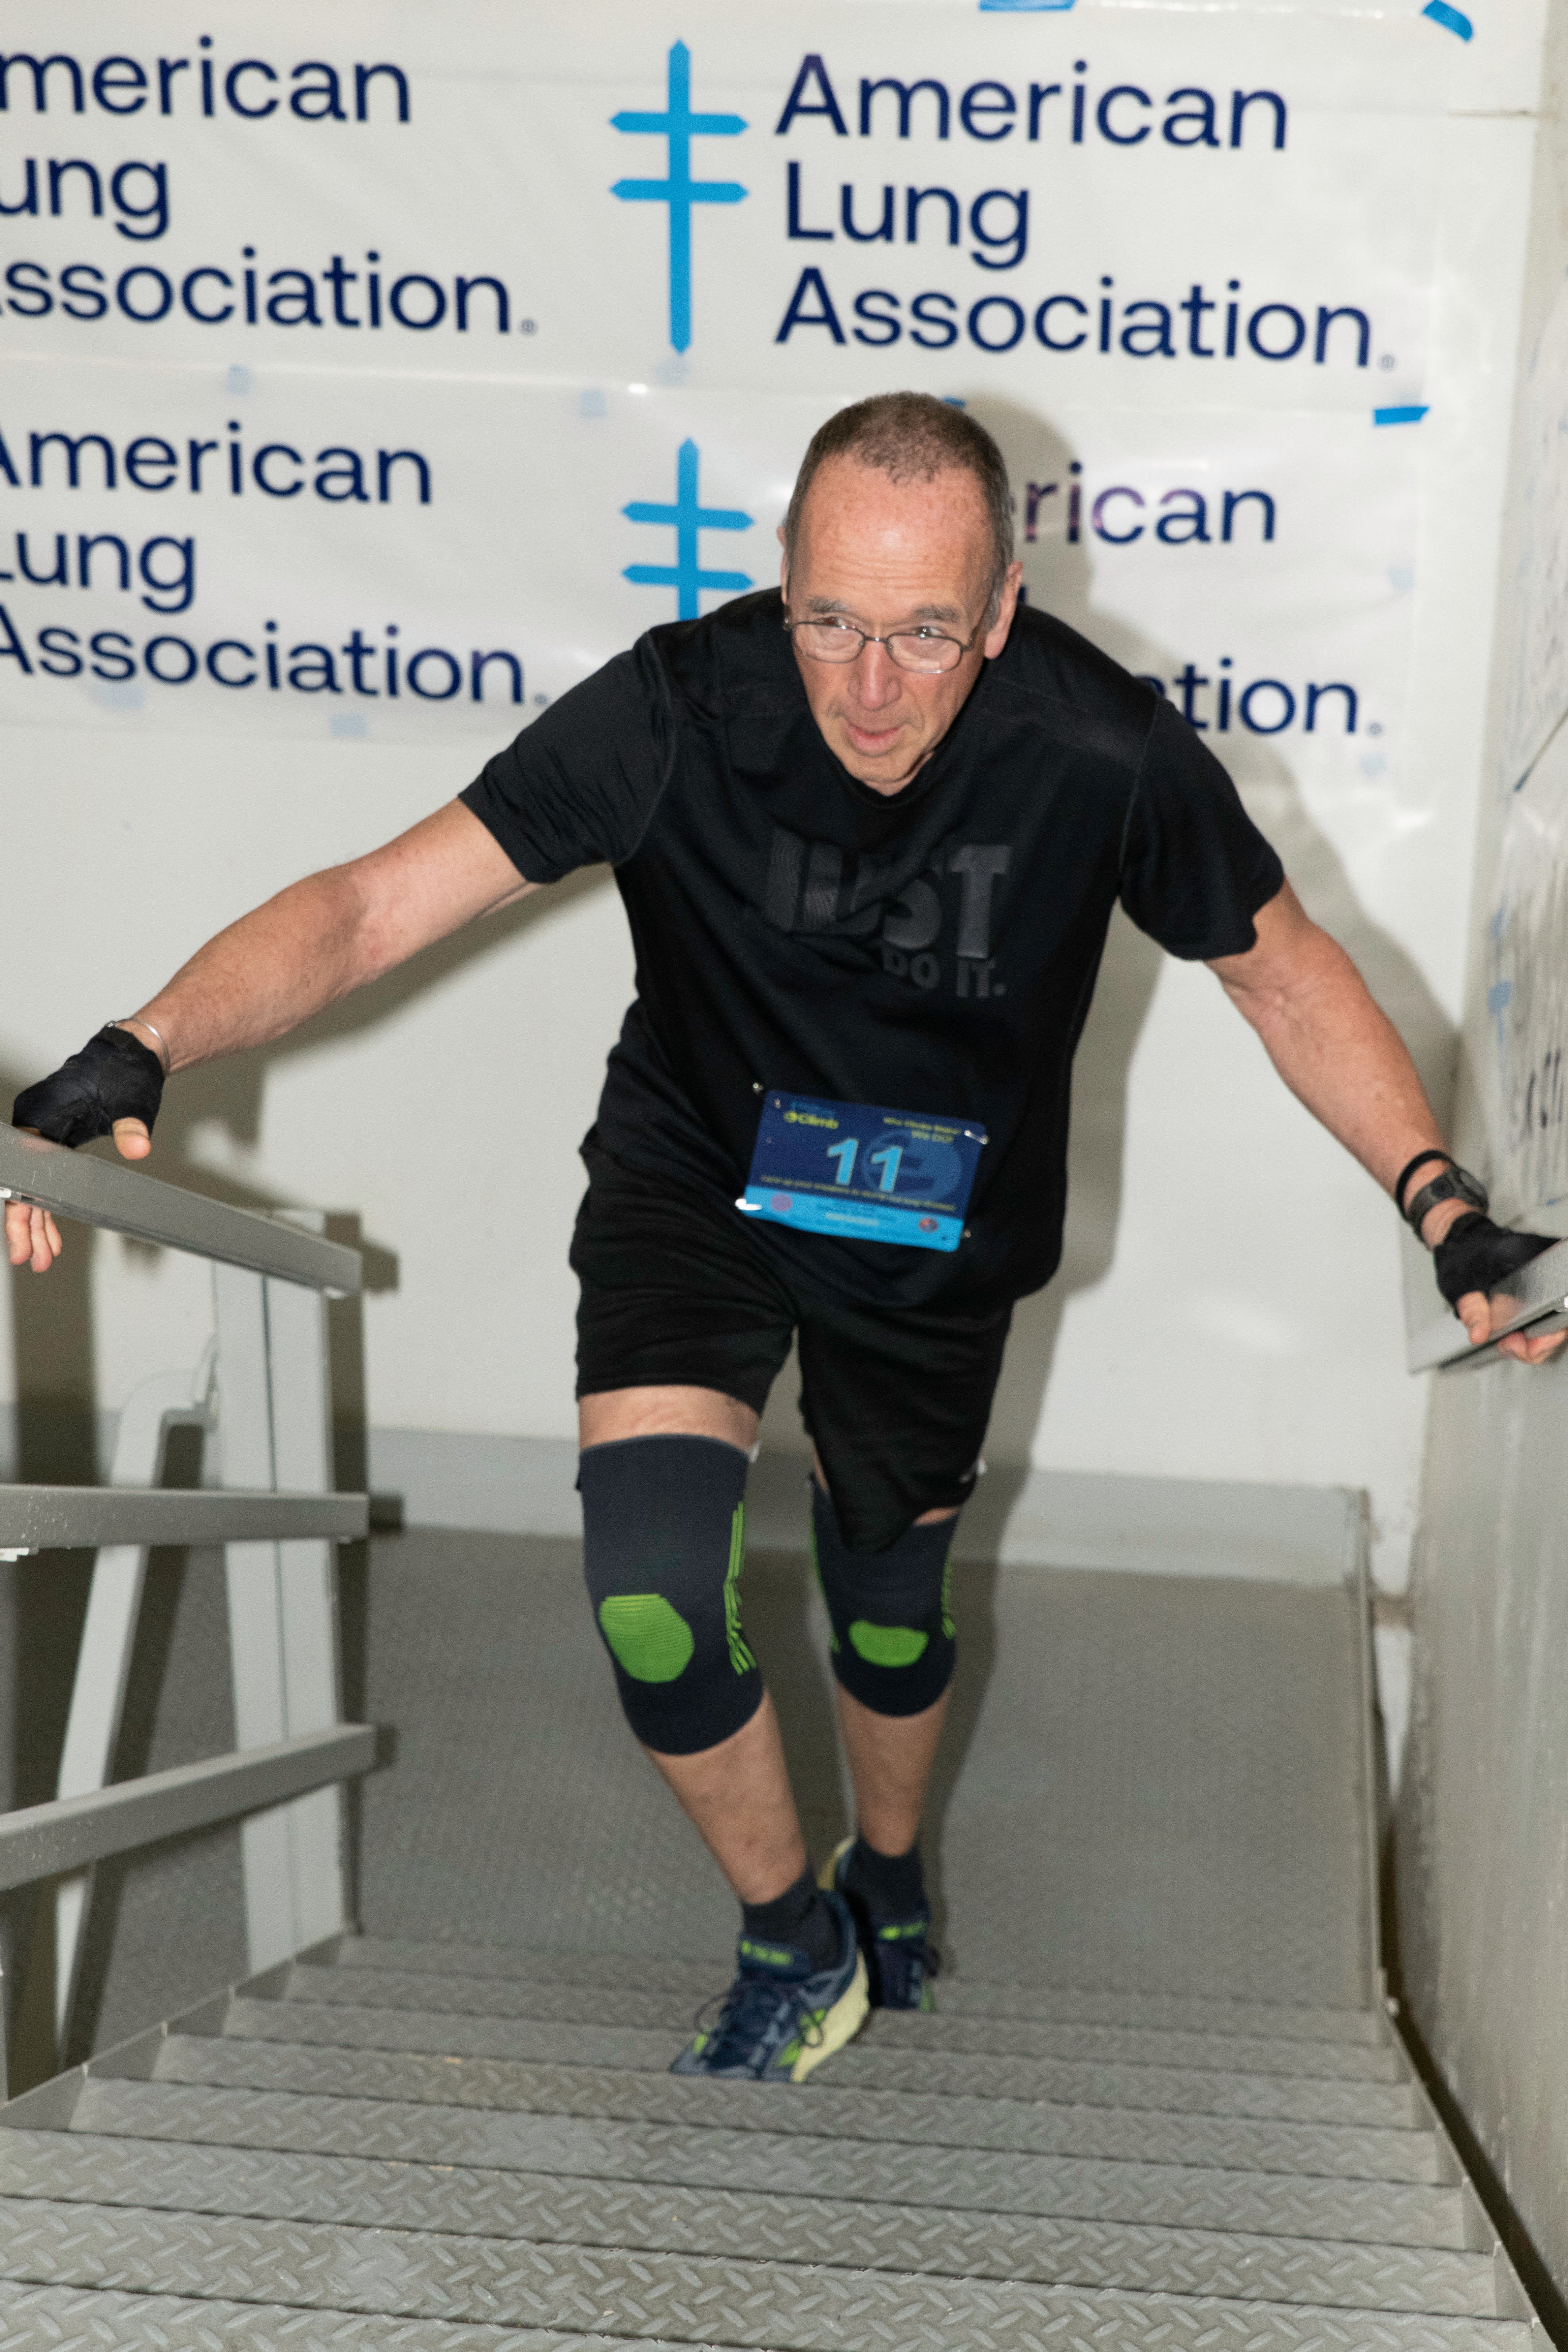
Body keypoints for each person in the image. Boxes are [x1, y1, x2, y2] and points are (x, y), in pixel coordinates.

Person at [9, 393, 1561, 2085]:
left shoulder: (1098, 752)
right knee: (656, 1601)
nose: (868, 688)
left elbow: (1283, 974)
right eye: (829, 622)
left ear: (1002, 611)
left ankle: (886, 1869)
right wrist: (148, 1037)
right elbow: (375, 904)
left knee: (885, 1607)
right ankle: (787, 1929)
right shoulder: (681, 707)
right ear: (782, 579)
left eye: (922, 634)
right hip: (699, 1174)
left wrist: (1440, 1203)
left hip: (932, 1229)